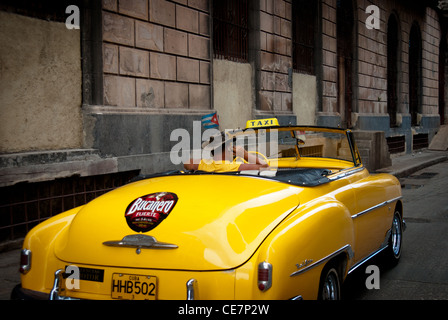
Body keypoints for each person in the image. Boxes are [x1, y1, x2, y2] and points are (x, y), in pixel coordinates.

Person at [184, 134, 269, 172]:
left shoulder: (203, 164)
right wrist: (245, 155)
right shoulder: (234, 167)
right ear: (229, 148)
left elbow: (187, 163)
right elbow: (265, 166)